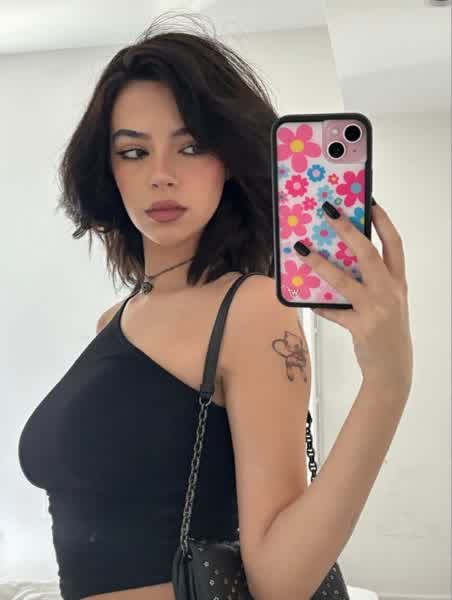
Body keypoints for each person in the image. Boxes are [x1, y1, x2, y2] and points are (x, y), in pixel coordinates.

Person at [18, 10, 413, 600]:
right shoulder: (114, 320)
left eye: (191, 146)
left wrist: (388, 381)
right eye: (133, 152)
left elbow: (281, 582)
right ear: (108, 170)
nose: (161, 175)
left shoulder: (249, 309)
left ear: (228, 160)